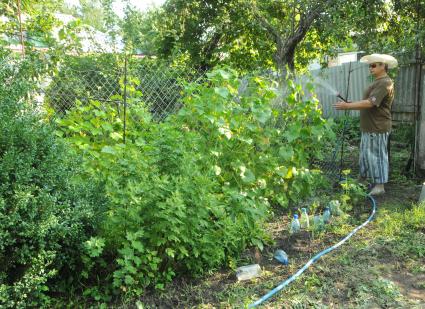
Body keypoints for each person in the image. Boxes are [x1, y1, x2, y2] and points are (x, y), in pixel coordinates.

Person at [334, 53, 397, 195]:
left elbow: (370, 103)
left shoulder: (385, 82)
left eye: (374, 65)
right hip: (369, 127)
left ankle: (380, 186)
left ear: (383, 66)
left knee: (378, 157)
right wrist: (351, 104)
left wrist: (347, 106)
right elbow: (367, 102)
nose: (371, 67)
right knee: (365, 155)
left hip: (378, 127)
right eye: (370, 65)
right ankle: (362, 180)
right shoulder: (377, 81)